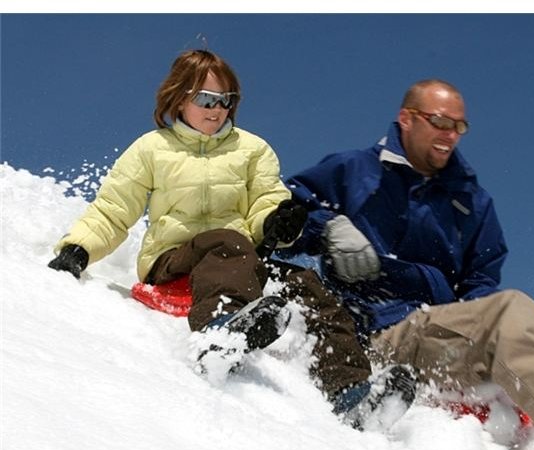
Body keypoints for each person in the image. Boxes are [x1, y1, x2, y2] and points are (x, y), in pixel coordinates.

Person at [47, 49, 416, 424]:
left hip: (240, 263)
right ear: (179, 97)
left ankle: (351, 393)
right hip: (174, 261)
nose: (217, 109)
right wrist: (78, 248)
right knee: (225, 239)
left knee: (306, 284)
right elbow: (114, 207)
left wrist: (276, 222)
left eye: (227, 100)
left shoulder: (252, 149)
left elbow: (265, 201)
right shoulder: (151, 149)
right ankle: (220, 333)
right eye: (206, 99)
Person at [281, 79, 534, 450]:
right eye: (439, 122)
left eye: (459, 127)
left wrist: (480, 323)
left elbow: (481, 279)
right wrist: (327, 228)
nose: (450, 135)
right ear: (406, 118)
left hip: (444, 331)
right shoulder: (355, 170)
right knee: (508, 310)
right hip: (381, 334)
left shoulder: (469, 200)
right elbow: (285, 213)